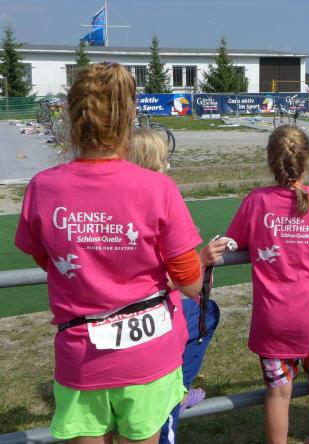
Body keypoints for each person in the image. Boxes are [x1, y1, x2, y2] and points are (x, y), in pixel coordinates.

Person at [15, 62, 202, 443]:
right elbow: (190, 281)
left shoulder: (42, 187)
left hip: (81, 356)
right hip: (148, 356)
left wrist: (87, 271)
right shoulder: (157, 188)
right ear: (128, 117)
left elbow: (46, 258)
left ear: (72, 117)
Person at [224, 125, 309, 443]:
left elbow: (233, 241)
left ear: (271, 161)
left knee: (278, 393)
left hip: (274, 319)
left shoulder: (256, 201)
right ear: (307, 160)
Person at [127, 128, 229, 444]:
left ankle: (180, 389)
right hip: (157, 316)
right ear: (154, 163)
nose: (167, 166)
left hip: (124, 318)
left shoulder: (118, 201)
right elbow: (177, 281)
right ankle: (180, 390)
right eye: (164, 160)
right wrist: (202, 259)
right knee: (205, 314)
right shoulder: (161, 197)